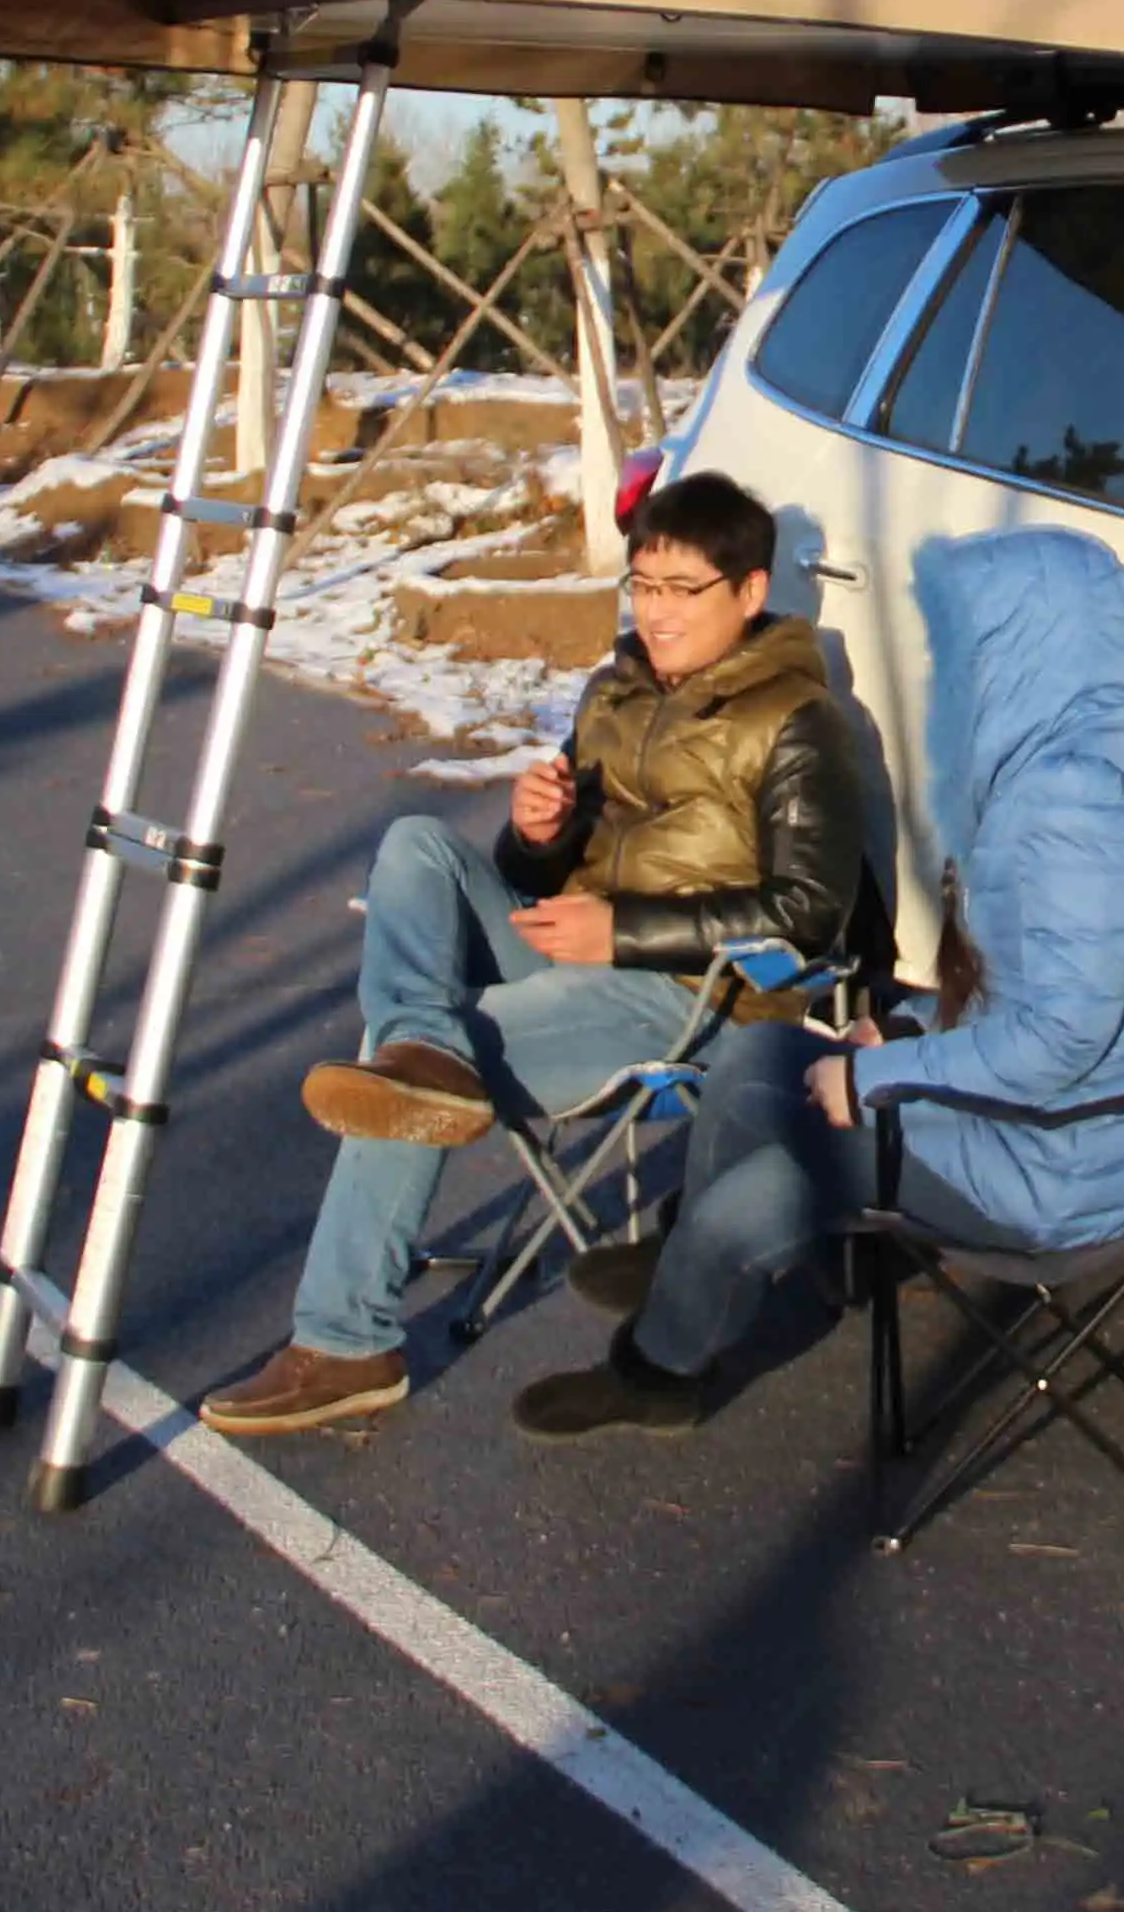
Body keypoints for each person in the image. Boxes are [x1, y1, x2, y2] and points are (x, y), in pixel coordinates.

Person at [197, 472, 879, 1435]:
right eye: (644, 585)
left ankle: (346, 1342)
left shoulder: (799, 723)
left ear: (750, 591)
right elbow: (542, 867)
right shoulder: (618, 690)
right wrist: (536, 832)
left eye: (683, 590)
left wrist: (620, 931)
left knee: (417, 1068)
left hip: (691, 997)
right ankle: (424, 1045)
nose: (656, 611)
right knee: (416, 847)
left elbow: (807, 912)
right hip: (572, 945)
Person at [512, 521, 1124, 1440]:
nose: (946, 671)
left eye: (965, 643)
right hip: (1035, 1119)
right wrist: (907, 1028)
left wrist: (875, 1074)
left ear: (1022, 646)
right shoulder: (1074, 765)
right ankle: (689, 1269)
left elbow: (1058, 1042)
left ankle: (659, 1370)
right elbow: (1028, 993)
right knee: (760, 1059)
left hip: (1054, 1166)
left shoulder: (1075, 804)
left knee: (762, 1192)